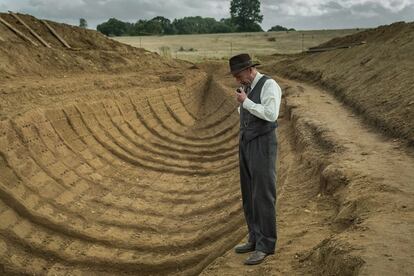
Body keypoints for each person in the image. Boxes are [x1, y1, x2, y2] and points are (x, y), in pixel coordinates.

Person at [229, 53, 282, 265]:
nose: (237, 80)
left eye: (238, 75)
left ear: (250, 70)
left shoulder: (270, 85)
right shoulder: (248, 88)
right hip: (247, 143)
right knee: (249, 193)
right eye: (235, 76)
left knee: (263, 195)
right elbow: (247, 111)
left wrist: (246, 102)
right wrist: (243, 104)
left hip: (263, 144)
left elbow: (271, 114)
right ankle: (254, 238)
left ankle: (265, 245)